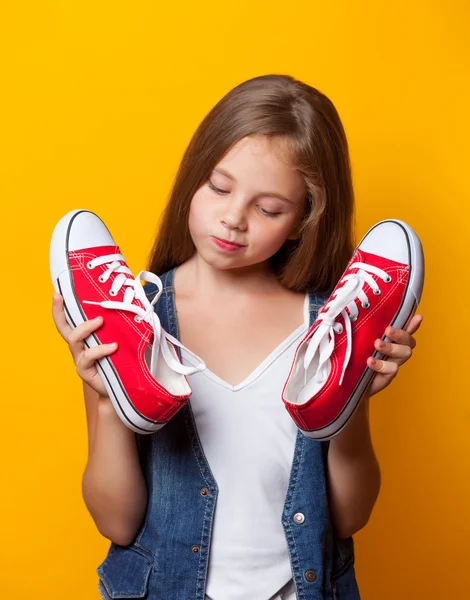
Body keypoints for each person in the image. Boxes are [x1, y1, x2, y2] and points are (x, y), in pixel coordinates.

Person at [51, 74, 423, 600]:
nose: (232, 218)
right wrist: (108, 401)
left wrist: (353, 398)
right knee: (127, 373)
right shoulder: (131, 317)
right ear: (193, 177)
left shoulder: (326, 324)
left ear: (302, 221)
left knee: (335, 377)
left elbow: (349, 516)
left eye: (268, 209)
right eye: (219, 188)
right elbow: (116, 523)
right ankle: (131, 386)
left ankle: (332, 391)